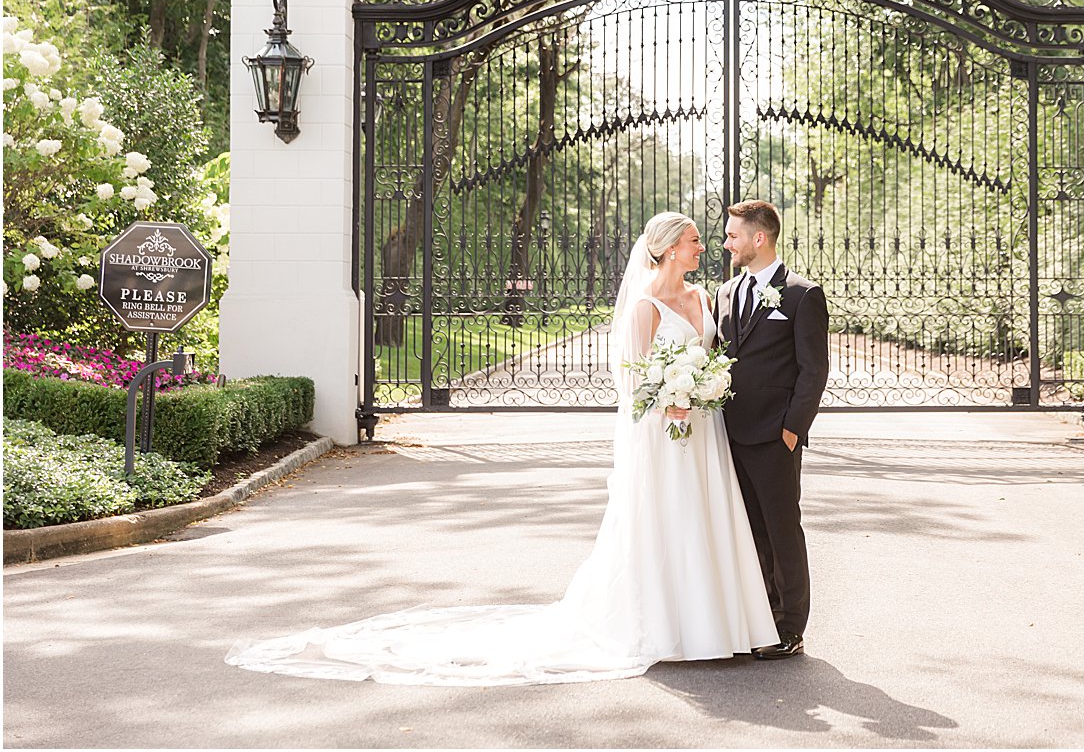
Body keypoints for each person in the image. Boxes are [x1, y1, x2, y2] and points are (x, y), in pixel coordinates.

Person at [225, 212, 778, 686]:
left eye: (705, 240)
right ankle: (670, 628)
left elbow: (714, 358)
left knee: (704, 519)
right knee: (667, 521)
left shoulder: (705, 297)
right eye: (695, 240)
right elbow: (631, 384)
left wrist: (701, 390)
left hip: (703, 432)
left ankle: (716, 625)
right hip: (663, 435)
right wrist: (668, 403)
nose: (704, 247)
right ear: (666, 250)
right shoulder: (643, 309)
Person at [716, 199, 829, 660]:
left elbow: (813, 371)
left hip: (774, 436)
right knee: (750, 531)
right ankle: (760, 619)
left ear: (758, 238)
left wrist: (792, 430)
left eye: (732, 235)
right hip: (728, 434)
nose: (727, 243)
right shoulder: (724, 292)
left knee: (783, 531)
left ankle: (790, 628)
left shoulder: (802, 294)